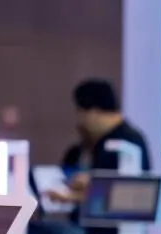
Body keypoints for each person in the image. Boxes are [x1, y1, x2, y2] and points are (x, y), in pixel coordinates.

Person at [48, 78, 152, 215]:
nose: (79, 123)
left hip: (111, 225)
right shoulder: (97, 143)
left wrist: (75, 196)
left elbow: (124, 196)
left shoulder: (126, 145)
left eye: (80, 114)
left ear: (93, 113)